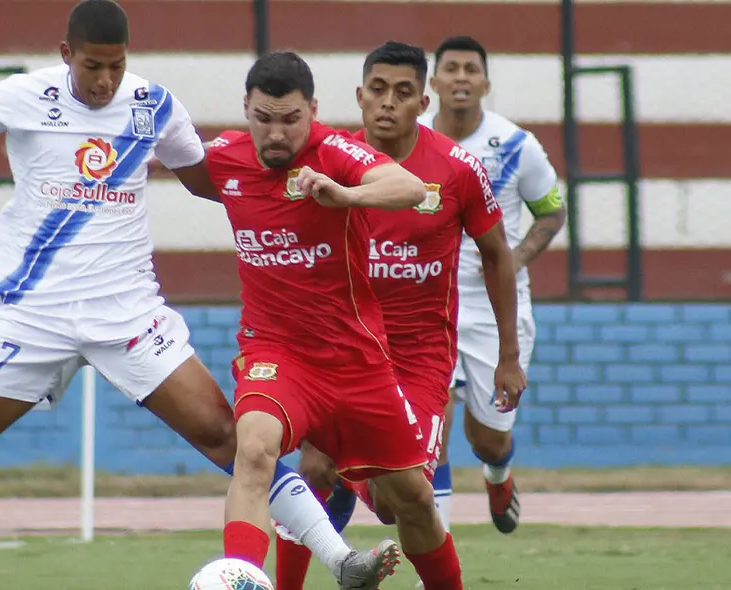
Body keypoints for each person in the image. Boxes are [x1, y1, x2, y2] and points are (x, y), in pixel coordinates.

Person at [0, 3, 394, 590]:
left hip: (128, 314)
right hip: (35, 316)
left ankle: (342, 562)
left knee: (228, 438)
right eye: (93, 66)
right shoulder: (23, 96)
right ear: (65, 55)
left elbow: (222, 182)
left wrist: (309, 185)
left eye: (117, 66)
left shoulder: (153, 106)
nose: (106, 81)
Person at [269, 41, 525, 590]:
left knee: (397, 500)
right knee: (312, 467)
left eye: (403, 92)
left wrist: (508, 358)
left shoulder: (457, 171)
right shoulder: (328, 162)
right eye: (378, 90)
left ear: (422, 101)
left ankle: (358, 479)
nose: (388, 103)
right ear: (360, 97)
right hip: (342, 349)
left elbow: (499, 255)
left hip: (418, 361)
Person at [205, 50, 465, 590]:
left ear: (313, 111)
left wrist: (346, 195)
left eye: (290, 120)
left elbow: (410, 188)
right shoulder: (224, 156)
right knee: (253, 449)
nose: (276, 134)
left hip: (354, 362)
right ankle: (245, 581)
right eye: (264, 119)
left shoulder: (334, 152)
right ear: (246, 110)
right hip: (275, 354)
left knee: (411, 499)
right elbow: (156, 156)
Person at [421, 35, 567, 534]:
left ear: (485, 83)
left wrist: (516, 259)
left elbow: (551, 211)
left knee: (487, 438)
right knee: (430, 434)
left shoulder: (516, 145)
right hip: (423, 304)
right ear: (434, 82)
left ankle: (497, 475)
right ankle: (433, 562)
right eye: (451, 68)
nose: (461, 76)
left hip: (493, 309)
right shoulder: (407, 137)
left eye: (471, 69)